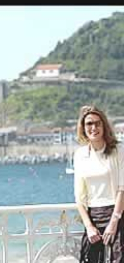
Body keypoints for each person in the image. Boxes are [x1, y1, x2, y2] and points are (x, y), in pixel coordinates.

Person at [74, 105, 124, 262]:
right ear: (83, 128)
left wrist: (114, 221)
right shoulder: (80, 155)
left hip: (118, 213)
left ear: (104, 126)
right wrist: (89, 226)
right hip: (93, 216)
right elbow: (79, 197)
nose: (93, 127)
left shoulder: (118, 150)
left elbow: (122, 188)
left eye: (97, 123)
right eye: (89, 123)